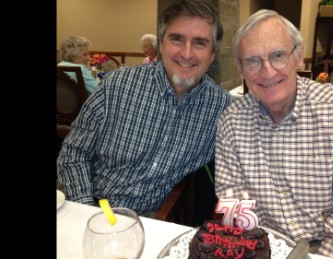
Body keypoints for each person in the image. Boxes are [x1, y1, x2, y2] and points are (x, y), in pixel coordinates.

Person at [214, 9, 333, 259]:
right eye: (253, 60)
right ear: (240, 68)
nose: (267, 71)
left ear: (298, 56)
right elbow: (234, 202)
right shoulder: (231, 122)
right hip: (269, 246)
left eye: (278, 56)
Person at [57, 0, 232, 217]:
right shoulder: (116, 86)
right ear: (161, 45)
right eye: (177, 39)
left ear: (212, 54)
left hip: (149, 221)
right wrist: (88, 213)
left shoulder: (221, 109)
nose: (187, 54)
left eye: (199, 43)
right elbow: (74, 153)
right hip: (88, 206)